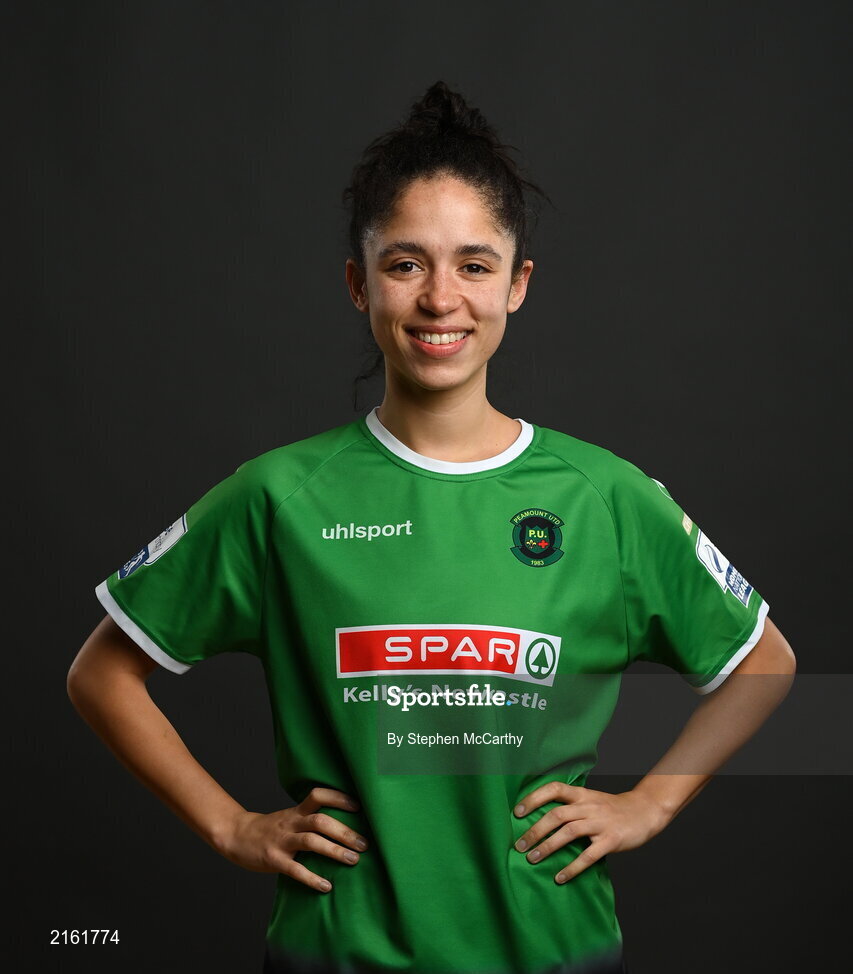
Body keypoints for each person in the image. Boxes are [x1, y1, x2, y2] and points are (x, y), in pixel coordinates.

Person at [67, 81, 796, 974]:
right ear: (357, 282)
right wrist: (230, 826)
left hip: (554, 951)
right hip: (337, 956)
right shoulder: (280, 496)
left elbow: (769, 666)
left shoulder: (603, 496)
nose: (440, 298)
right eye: (405, 263)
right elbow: (99, 675)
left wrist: (648, 803)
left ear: (517, 285)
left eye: (475, 265)